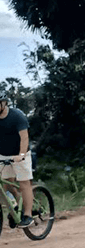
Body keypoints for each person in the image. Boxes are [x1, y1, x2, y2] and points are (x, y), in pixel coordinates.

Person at [0, 94, 33, 227]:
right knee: (7, 186)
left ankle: (28, 214)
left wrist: (22, 154)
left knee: (24, 183)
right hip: (3, 154)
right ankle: (16, 207)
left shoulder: (16, 116)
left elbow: (24, 137)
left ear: (4, 103)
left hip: (20, 154)